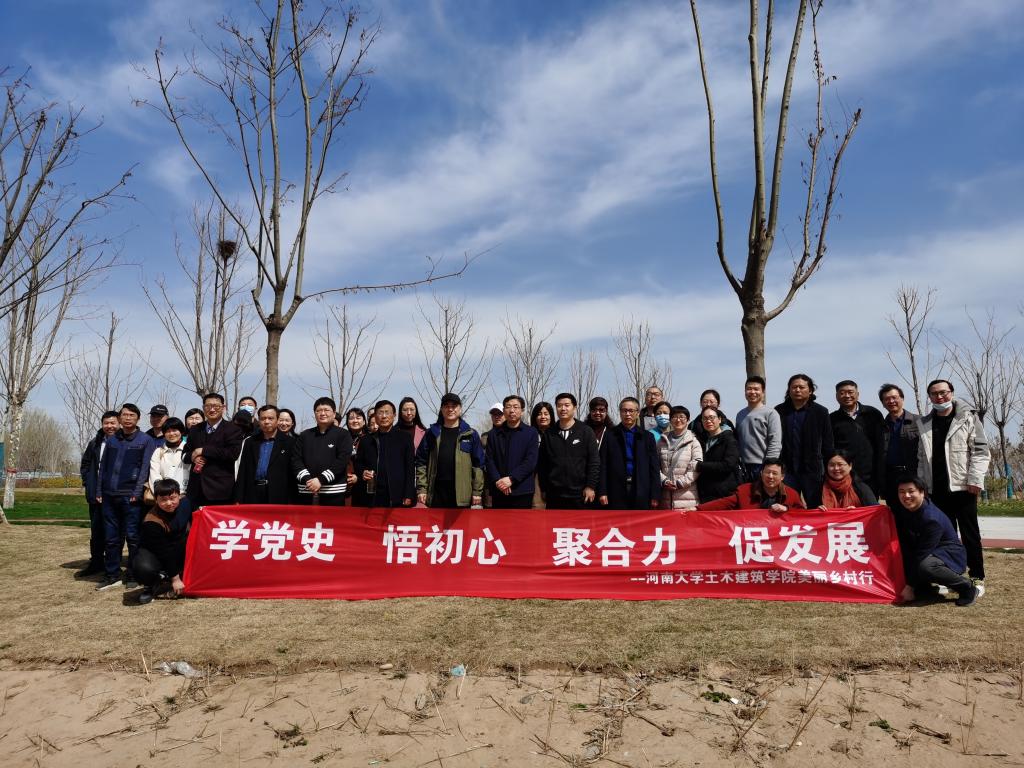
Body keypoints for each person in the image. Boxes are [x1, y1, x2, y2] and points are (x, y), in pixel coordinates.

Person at [917, 379, 990, 593]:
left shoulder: (968, 417)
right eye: (934, 394)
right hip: (936, 490)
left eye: (943, 392)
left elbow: (980, 451)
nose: (939, 397)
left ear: (951, 392)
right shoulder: (925, 423)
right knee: (945, 536)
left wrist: (975, 479)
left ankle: (977, 576)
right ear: (929, 397)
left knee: (970, 534)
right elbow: (921, 458)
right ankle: (949, 576)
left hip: (963, 487)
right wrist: (923, 486)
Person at [96, 403, 157, 591]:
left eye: (132, 415)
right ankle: (112, 574)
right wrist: (99, 491)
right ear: (120, 418)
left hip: (130, 497)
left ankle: (132, 574)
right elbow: (103, 467)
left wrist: (137, 492)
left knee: (133, 537)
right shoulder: (112, 439)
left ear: (138, 418)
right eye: (124, 415)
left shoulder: (145, 440)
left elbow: (145, 468)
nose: (128, 418)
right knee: (111, 538)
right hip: (109, 495)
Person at [890, 476, 978, 606]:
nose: (906, 496)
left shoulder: (932, 519)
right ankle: (926, 590)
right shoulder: (905, 509)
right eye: (902, 492)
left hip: (948, 555)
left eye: (911, 491)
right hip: (927, 552)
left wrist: (909, 586)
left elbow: (922, 554)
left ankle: (967, 587)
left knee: (926, 566)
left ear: (922, 492)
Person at [415, 393, 485, 508]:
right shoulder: (432, 433)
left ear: (460, 409)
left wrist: (477, 491)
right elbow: (421, 462)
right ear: (442, 409)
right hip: (436, 493)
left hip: (461, 494)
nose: (450, 409)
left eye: (454, 406)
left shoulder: (470, 434)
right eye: (446, 406)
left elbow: (478, 465)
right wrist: (422, 488)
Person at [775, 374, 834, 507]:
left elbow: (828, 443)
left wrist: (828, 468)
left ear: (810, 390)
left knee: (816, 506)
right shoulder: (779, 411)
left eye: (802, 387)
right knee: (788, 506)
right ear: (789, 390)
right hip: (787, 469)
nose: (797, 390)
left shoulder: (820, 412)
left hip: (812, 470)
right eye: (794, 387)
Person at [75, 410, 120, 578]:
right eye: (106, 423)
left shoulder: (124, 441)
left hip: (116, 494)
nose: (110, 426)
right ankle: (96, 562)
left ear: (119, 424)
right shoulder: (95, 442)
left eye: (113, 423)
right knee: (96, 531)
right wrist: (88, 482)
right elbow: (86, 464)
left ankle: (113, 566)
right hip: (96, 494)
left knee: (115, 532)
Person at [134, 479, 192, 605]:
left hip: (178, 545)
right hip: (156, 552)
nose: (169, 503)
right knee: (143, 568)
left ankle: (181, 576)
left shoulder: (186, 503)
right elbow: (164, 552)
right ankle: (152, 583)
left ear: (179, 495)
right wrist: (175, 579)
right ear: (156, 500)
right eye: (163, 500)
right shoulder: (151, 521)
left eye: (172, 498)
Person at [538, 393, 600, 509]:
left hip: (580, 494)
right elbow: (542, 464)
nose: (563, 408)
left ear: (574, 407)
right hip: (554, 494)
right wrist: (544, 488)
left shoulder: (586, 431)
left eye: (567, 405)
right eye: (559, 405)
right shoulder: (549, 434)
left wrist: (590, 486)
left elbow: (594, 462)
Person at [183, 392, 245, 508]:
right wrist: (193, 457)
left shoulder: (233, 429)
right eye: (208, 406)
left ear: (223, 408)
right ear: (203, 408)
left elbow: (232, 454)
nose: (212, 409)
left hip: (220, 491)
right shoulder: (195, 430)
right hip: (195, 490)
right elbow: (184, 455)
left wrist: (203, 451)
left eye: (216, 406)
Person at [599, 397, 660, 509]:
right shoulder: (609, 435)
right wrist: (602, 491)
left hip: (641, 488)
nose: (627, 414)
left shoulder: (647, 437)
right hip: (615, 489)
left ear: (637, 413)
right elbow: (603, 465)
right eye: (624, 410)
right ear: (620, 412)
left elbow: (654, 467)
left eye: (631, 411)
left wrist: (655, 494)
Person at [292, 396, 353, 506]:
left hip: (333, 492)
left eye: (326, 410)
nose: (322, 413)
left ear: (334, 413)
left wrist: (321, 480)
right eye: (318, 410)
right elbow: (296, 460)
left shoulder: (343, 434)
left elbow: (342, 460)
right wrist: (308, 480)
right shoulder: (305, 435)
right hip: (306, 490)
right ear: (314, 414)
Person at [353, 400, 415, 507]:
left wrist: (408, 494)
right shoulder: (366, 440)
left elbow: (410, 468)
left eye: (387, 412)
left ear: (394, 415)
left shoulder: (405, 438)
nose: (384, 416)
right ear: (375, 417)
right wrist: (363, 472)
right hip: (372, 495)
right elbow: (358, 463)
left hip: (397, 494)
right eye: (380, 413)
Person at [830, 380, 886, 497]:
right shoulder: (832, 419)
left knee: (870, 506)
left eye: (850, 392)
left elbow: (881, 444)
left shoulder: (873, 414)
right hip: (844, 476)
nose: (847, 396)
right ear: (836, 396)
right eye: (842, 393)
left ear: (857, 394)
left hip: (871, 476)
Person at [485, 395, 540, 509]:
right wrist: (498, 481)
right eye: (508, 407)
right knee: (498, 521)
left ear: (522, 411)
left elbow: (531, 461)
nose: (512, 410)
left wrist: (512, 479)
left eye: (516, 407)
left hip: (522, 490)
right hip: (499, 489)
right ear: (504, 410)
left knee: (521, 521)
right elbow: (489, 460)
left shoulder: (531, 433)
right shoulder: (494, 434)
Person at [234, 405, 296, 504]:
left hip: (278, 495)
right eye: (263, 418)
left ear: (277, 420)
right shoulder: (250, 442)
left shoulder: (290, 443)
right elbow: (243, 471)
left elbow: (292, 474)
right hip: (252, 493)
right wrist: (238, 498)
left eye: (270, 418)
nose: (266, 422)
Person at [698, 460, 805, 512]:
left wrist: (786, 509)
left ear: (782, 477)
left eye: (775, 473)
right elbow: (723, 503)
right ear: (761, 474)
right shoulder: (746, 491)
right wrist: (697, 509)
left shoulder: (791, 494)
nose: (770, 476)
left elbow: (803, 514)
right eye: (767, 472)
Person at [878, 384, 920, 505]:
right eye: (887, 399)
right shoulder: (880, 425)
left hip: (914, 475)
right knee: (895, 511)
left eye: (894, 397)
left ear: (902, 398)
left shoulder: (919, 421)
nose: (891, 401)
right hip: (890, 477)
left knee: (916, 510)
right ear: (883, 403)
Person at [735, 375, 782, 482]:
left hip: (762, 465)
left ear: (763, 392)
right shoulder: (740, 414)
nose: (752, 392)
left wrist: (769, 465)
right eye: (749, 389)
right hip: (743, 466)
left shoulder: (771, 413)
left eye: (756, 389)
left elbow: (775, 442)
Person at [657, 405, 702, 510]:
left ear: (688, 420)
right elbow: (655, 465)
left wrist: (680, 483)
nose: (678, 420)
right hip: (665, 497)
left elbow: (696, 466)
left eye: (682, 417)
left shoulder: (693, 441)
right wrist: (664, 481)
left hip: (687, 496)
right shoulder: (661, 441)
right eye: (674, 417)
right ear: (670, 420)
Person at [694, 407, 740, 504]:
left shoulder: (729, 440)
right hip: (705, 493)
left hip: (724, 492)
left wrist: (700, 466)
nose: (708, 421)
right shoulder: (701, 440)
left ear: (719, 419)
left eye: (712, 417)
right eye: (705, 418)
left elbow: (728, 465)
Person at [147, 417, 188, 494]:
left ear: (181, 431)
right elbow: (154, 475)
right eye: (168, 431)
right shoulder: (158, 452)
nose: (171, 434)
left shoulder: (189, 450)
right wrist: (162, 493)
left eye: (174, 430)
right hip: (164, 496)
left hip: (186, 495)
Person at [530, 401, 555, 507]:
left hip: (554, 477)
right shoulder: (530, 434)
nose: (543, 417)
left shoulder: (557, 434)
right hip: (535, 478)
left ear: (551, 416)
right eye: (539, 414)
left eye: (546, 414)